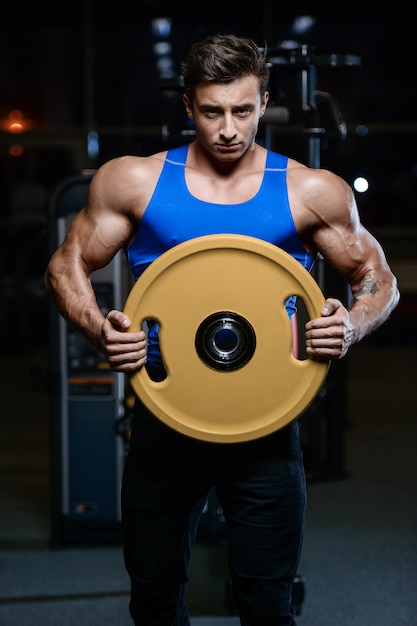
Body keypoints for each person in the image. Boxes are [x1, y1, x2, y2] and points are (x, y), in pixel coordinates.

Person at [44, 33, 399, 626]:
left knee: (267, 602)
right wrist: (97, 328)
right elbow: (65, 265)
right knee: (154, 600)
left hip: (267, 429)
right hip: (164, 422)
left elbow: (378, 278)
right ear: (188, 107)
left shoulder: (309, 191)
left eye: (242, 110)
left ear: (264, 102)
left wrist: (351, 324)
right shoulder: (134, 181)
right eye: (211, 112)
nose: (228, 129)